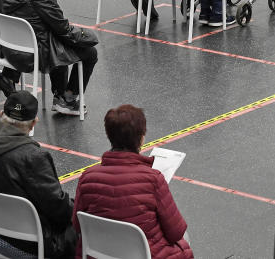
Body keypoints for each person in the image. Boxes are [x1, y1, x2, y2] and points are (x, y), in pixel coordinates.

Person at [72, 104, 193, 259]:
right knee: (185, 238)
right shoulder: (154, 179)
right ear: (141, 138)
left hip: (99, 254)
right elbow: (176, 231)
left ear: (109, 136)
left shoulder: (87, 178)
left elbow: (77, 224)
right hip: (145, 254)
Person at [0, 91, 78, 259]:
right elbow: (58, 209)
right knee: (87, 229)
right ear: (33, 123)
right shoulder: (33, 157)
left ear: (1, 114)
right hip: (31, 244)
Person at [0, 0, 98, 115]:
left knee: (55, 40)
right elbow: (62, 28)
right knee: (88, 52)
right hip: (36, 54)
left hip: (11, 50)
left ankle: (9, 77)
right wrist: (86, 36)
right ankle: (67, 98)